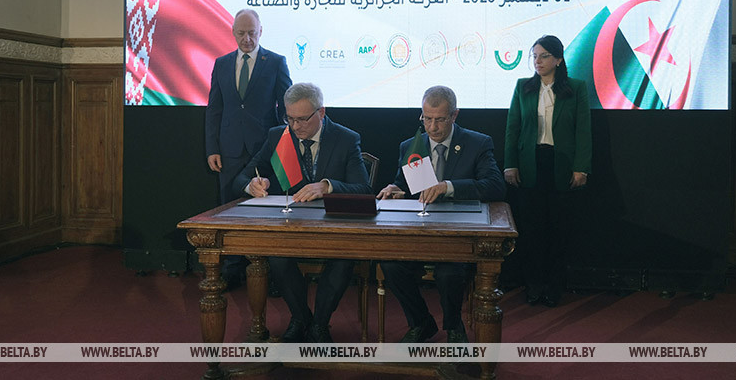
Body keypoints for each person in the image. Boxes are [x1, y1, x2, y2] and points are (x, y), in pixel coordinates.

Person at [233, 83, 371, 343]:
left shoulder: (345, 139)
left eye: (302, 119)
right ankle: (300, 318)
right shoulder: (279, 136)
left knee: (343, 259)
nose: (295, 127)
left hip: (333, 228)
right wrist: (251, 185)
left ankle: (320, 324)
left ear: (321, 112)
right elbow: (242, 176)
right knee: (277, 257)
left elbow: (364, 190)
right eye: (290, 118)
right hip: (292, 228)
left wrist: (327, 186)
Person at [377, 86, 505, 343]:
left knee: (449, 273)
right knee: (391, 266)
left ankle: (454, 327)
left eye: (439, 119)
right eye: (427, 119)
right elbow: (406, 187)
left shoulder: (477, 143)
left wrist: (448, 187)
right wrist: (395, 189)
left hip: (457, 235)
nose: (432, 127)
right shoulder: (412, 146)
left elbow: (495, 186)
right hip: (419, 232)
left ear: (454, 115)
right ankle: (421, 323)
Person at [205, 9, 292, 289]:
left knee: (266, 209)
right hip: (229, 149)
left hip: (264, 149)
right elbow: (214, 108)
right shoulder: (221, 64)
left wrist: (284, 146)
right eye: (241, 33)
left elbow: (287, 107)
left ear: (260, 31)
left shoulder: (275, 62)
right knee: (229, 209)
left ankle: (271, 272)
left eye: (252, 33)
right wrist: (212, 148)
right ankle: (232, 268)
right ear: (233, 32)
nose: (247, 39)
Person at [503, 34, 592, 307]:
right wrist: (510, 164)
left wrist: (581, 167)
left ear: (558, 59)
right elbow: (513, 127)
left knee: (559, 229)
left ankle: (554, 287)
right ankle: (533, 285)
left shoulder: (575, 88)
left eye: (544, 56)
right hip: (531, 163)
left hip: (561, 164)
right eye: (535, 56)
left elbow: (583, 130)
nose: (537, 61)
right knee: (532, 229)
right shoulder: (523, 87)